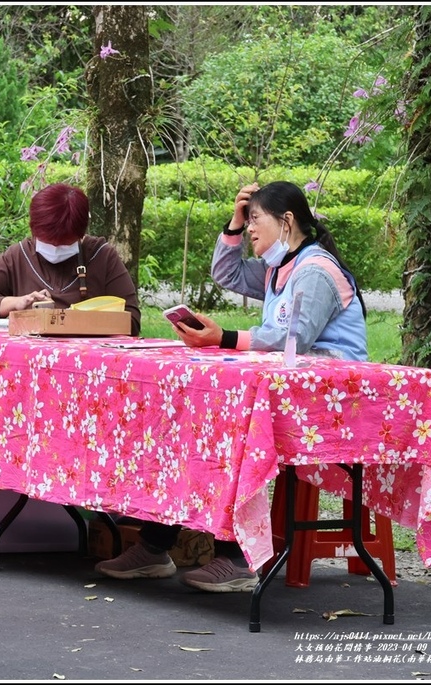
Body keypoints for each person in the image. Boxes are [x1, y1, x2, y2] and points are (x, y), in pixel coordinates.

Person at [96, 180, 368, 592]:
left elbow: (292, 340)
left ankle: (236, 557)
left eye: (256, 219)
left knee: (229, 430)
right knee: (192, 417)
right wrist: (234, 223)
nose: (252, 229)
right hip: (293, 388)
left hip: (331, 399)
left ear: (287, 221)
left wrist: (223, 337)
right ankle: (156, 542)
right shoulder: (281, 268)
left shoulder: (316, 271)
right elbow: (226, 271)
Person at [0, 182, 142, 335]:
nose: (54, 248)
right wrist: (16, 303)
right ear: (33, 230)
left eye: (64, 244)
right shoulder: (19, 255)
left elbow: (131, 321)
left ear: (81, 234)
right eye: (47, 242)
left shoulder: (101, 256)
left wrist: (75, 320)